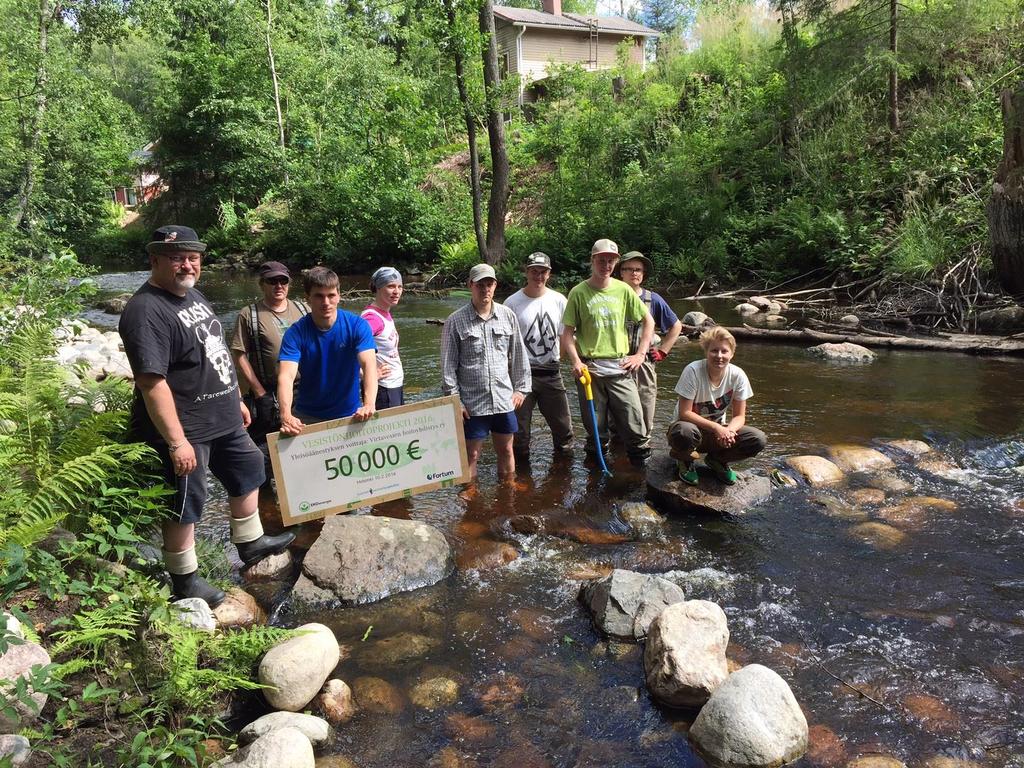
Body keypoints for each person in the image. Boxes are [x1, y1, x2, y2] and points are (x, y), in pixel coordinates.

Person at [119, 225, 295, 607]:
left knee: (249, 467)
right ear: (155, 261)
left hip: (224, 417)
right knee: (186, 501)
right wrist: (176, 441)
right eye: (177, 257)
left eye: (193, 257)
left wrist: (236, 399)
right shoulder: (145, 311)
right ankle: (185, 580)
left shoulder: (192, 295)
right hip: (188, 427)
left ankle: (250, 541)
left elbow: (214, 352)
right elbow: (152, 383)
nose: (187, 264)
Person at [561, 238, 654, 467]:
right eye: (601, 260)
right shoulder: (579, 292)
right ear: (593, 260)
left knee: (636, 425)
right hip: (590, 371)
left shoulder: (623, 290)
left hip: (621, 367)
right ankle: (596, 485)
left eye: (611, 260)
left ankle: (640, 479)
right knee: (596, 430)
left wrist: (641, 354)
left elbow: (648, 322)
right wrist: (575, 362)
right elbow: (567, 334)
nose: (606, 265)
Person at [440, 263, 531, 479]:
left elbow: (519, 354)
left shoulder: (507, 316)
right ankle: (470, 494)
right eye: (480, 284)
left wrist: (521, 389)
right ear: (470, 285)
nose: (485, 289)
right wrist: (455, 401)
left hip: (502, 399)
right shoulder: (455, 321)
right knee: (471, 454)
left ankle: (508, 491)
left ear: (495, 286)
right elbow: (448, 365)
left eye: (489, 284)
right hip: (472, 403)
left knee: (507, 450)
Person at [277, 266, 377, 435]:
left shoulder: (357, 326)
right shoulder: (295, 333)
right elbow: (286, 376)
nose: (326, 302)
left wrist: (369, 404)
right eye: (319, 296)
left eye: (331, 295)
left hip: (351, 414)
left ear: (339, 296)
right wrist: (286, 415)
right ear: (307, 298)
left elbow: (369, 366)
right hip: (307, 417)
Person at [667, 326, 767, 486]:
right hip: (690, 431)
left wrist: (729, 432)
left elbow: (739, 416)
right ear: (706, 352)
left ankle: (717, 460)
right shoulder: (692, 371)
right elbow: (684, 413)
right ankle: (684, 459)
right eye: (714, 351)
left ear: (732, 354)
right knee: (683, 431)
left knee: (757, 439)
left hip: (717, 435)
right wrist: (717, 428)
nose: (719, 356)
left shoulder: (738, 375)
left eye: (724, 351)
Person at [230, 261, 309, 449]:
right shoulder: (249, 314)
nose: (279, 286)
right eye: (272, 281)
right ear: (262, 284)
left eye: (283, 281)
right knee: (267, 449)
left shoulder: (304, 309)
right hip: (268, 392)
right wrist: (258, 391)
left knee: (303, 444)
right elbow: (239, 354)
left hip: (304, 389)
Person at [504, 252, 573, 460]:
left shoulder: (559, 300)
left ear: (549, 274)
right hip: (521, 376)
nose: (538, 276)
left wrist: (558, 360)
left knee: (563, 429)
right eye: (534, 271)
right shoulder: (511, 303)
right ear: (526, 272)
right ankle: (521, 482)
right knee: (519, 433)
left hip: (552, 373)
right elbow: (505, 343)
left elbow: (566, 335)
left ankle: (562, 477)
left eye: (543, 272)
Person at [612, 251, 683, 441]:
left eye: (638, 270)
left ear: (643, 274)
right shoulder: (611, 296)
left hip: (644, 364)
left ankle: (642, 451)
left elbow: (676, 326)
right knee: (616, 416)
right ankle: (618, 452)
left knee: (645, 408)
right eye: (629, 269)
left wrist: (662, 351)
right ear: (621, 272)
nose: (634, 273)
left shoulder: (653, 299)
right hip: (616, 362)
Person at [361, 267, 405, 410]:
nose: (396, 291)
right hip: (384, 389)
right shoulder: (372, 318)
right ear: (378, 288)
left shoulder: (384, 313)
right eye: (391, 286)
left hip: (393, 385)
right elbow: (350, 348)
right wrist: (366, 374)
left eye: (400, 286)